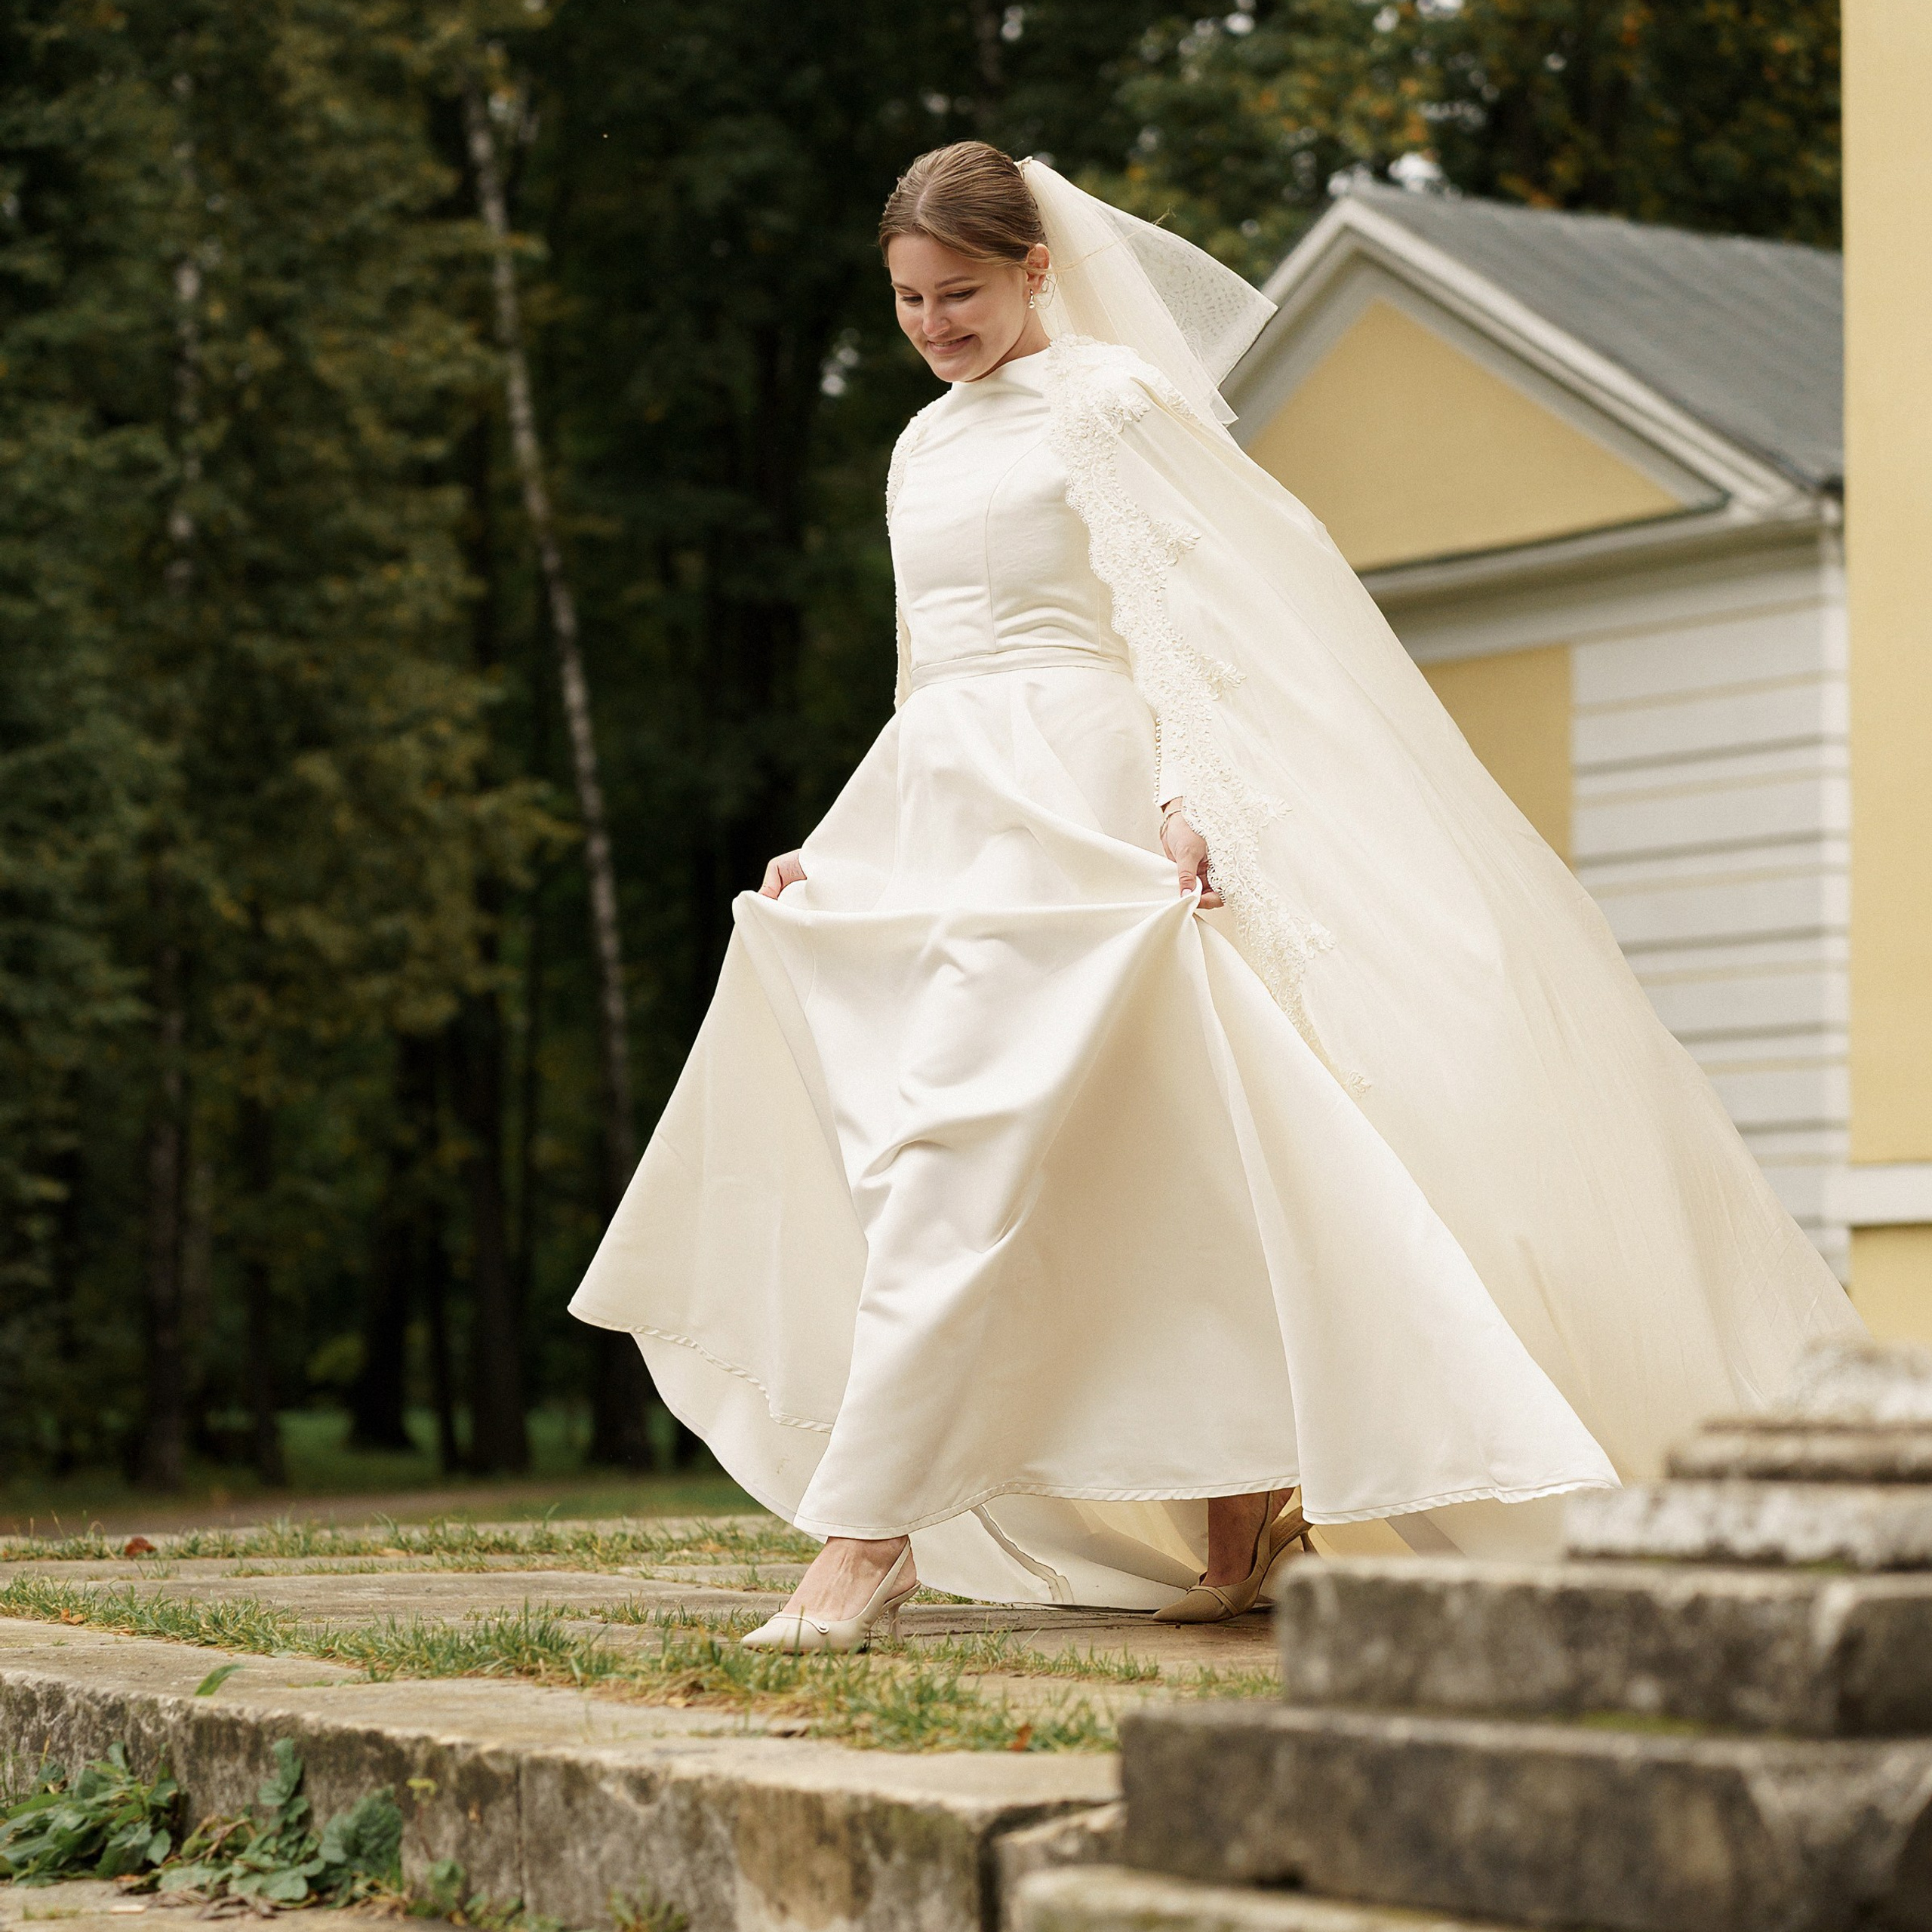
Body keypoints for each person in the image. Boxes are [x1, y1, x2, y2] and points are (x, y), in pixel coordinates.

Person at [570, 142, 1860, 1651]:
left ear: (1034, 266)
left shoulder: (1111, 401)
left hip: (1088, 799)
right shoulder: (919, 447)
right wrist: (841, 842)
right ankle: (1222, 1521)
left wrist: (1186, 789)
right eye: (910, 298)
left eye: (960, 291)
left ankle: (868, 1542)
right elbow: (926, 676)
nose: (932, 321)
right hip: (944, 811)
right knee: (1070, 1154)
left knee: (1018, 1153)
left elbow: (1183, 608)